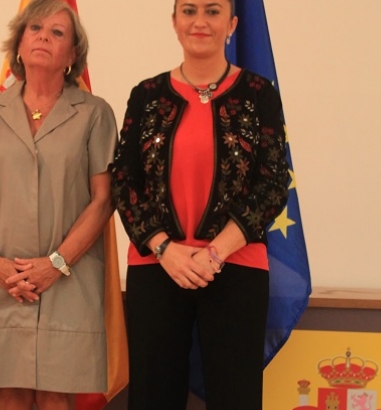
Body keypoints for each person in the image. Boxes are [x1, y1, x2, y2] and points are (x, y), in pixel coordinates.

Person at [110, 0, 289, 409]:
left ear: (232, 24)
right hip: (157, 267)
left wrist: (215, 252)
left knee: (235, 397)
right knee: (153, 396)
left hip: (236, 266)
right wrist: (164, 248)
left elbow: (273, 183)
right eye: (189, 11)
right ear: (174, 22)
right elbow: (123, 180)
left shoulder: (259, 94)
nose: (200, 22)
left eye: (212, 11)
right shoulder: (147, 95)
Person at [0, 0, 118, 409]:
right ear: (19, 45)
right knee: (10, 393)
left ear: (72, 55)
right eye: (35, 29)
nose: (43, 37)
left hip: (69, 280)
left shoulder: (95, 113)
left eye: (58, 33)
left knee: (56, 395)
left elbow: (103, 200)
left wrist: (55, 264)